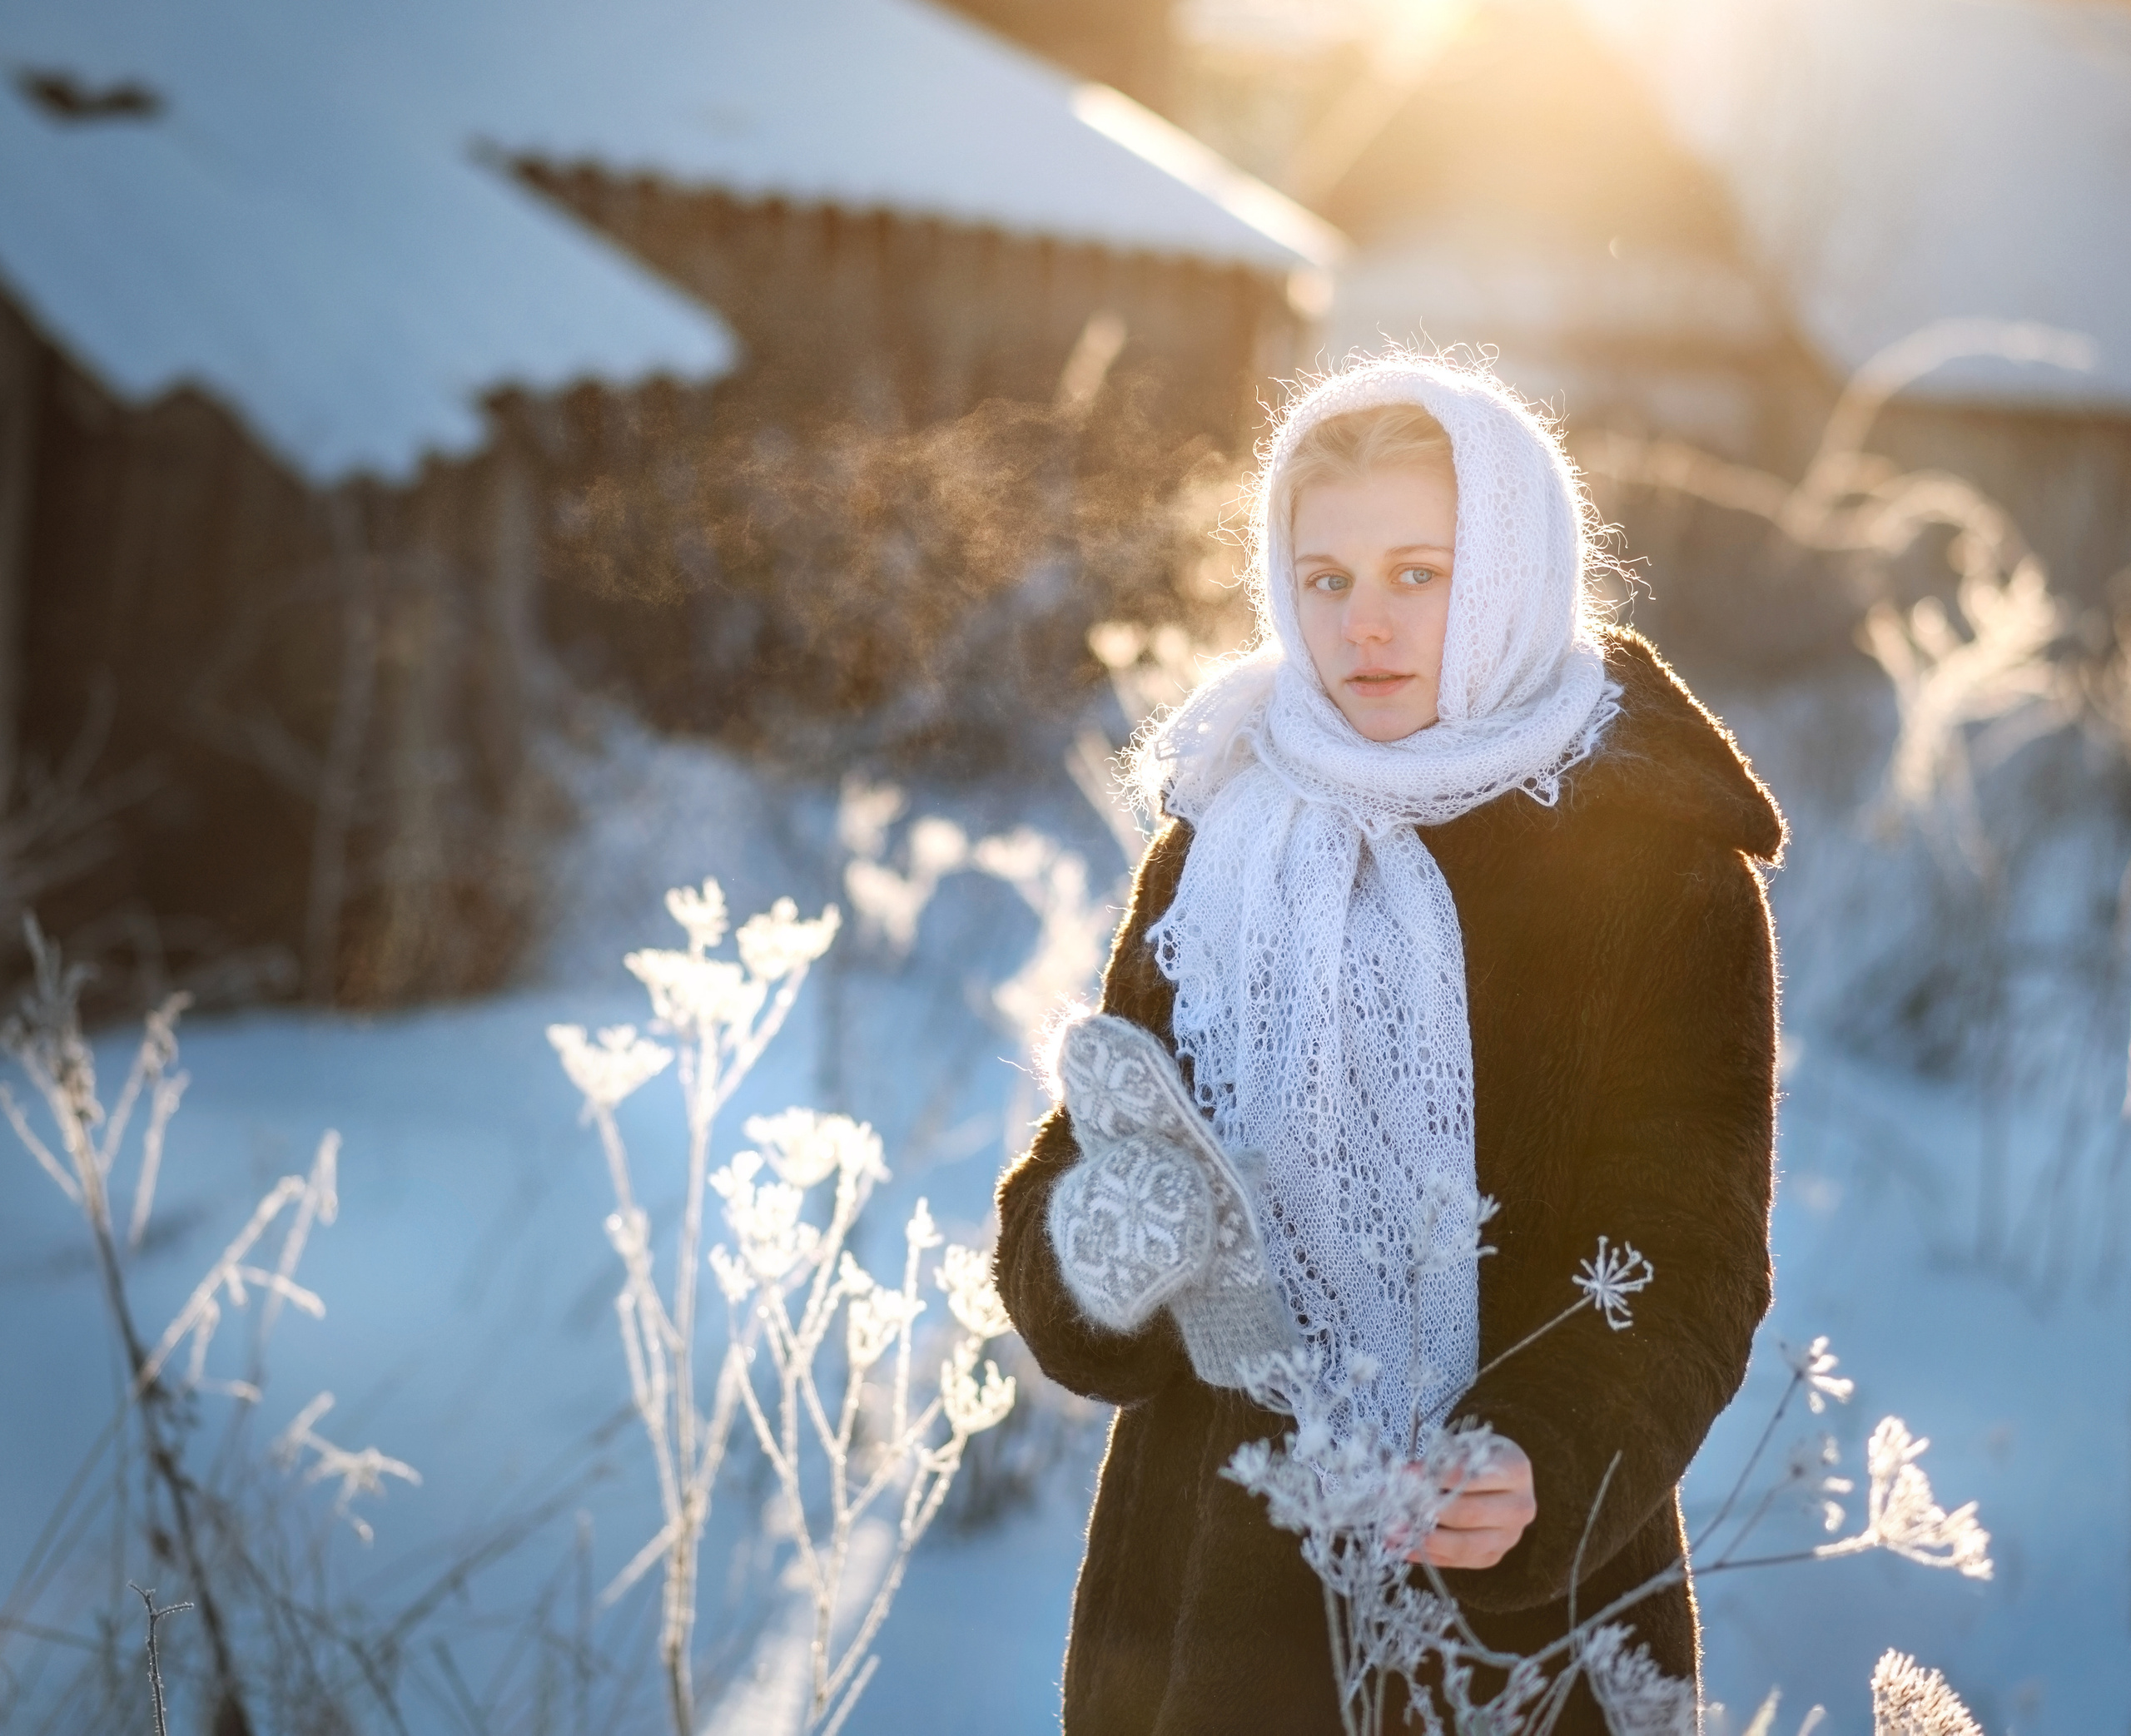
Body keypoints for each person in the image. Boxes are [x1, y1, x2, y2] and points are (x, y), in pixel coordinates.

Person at [993, 353, 1784, 1734]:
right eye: (1327, 577)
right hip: (1199, 1612)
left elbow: (1690, 1256)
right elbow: (1081, 1163)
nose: (1365, 624)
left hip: (1511, 1614)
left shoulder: (1657, 869)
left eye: (1420, 572)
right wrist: (1094, 1248)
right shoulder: (1227, 830)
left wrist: (1549, 1457)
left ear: (1512, 572)